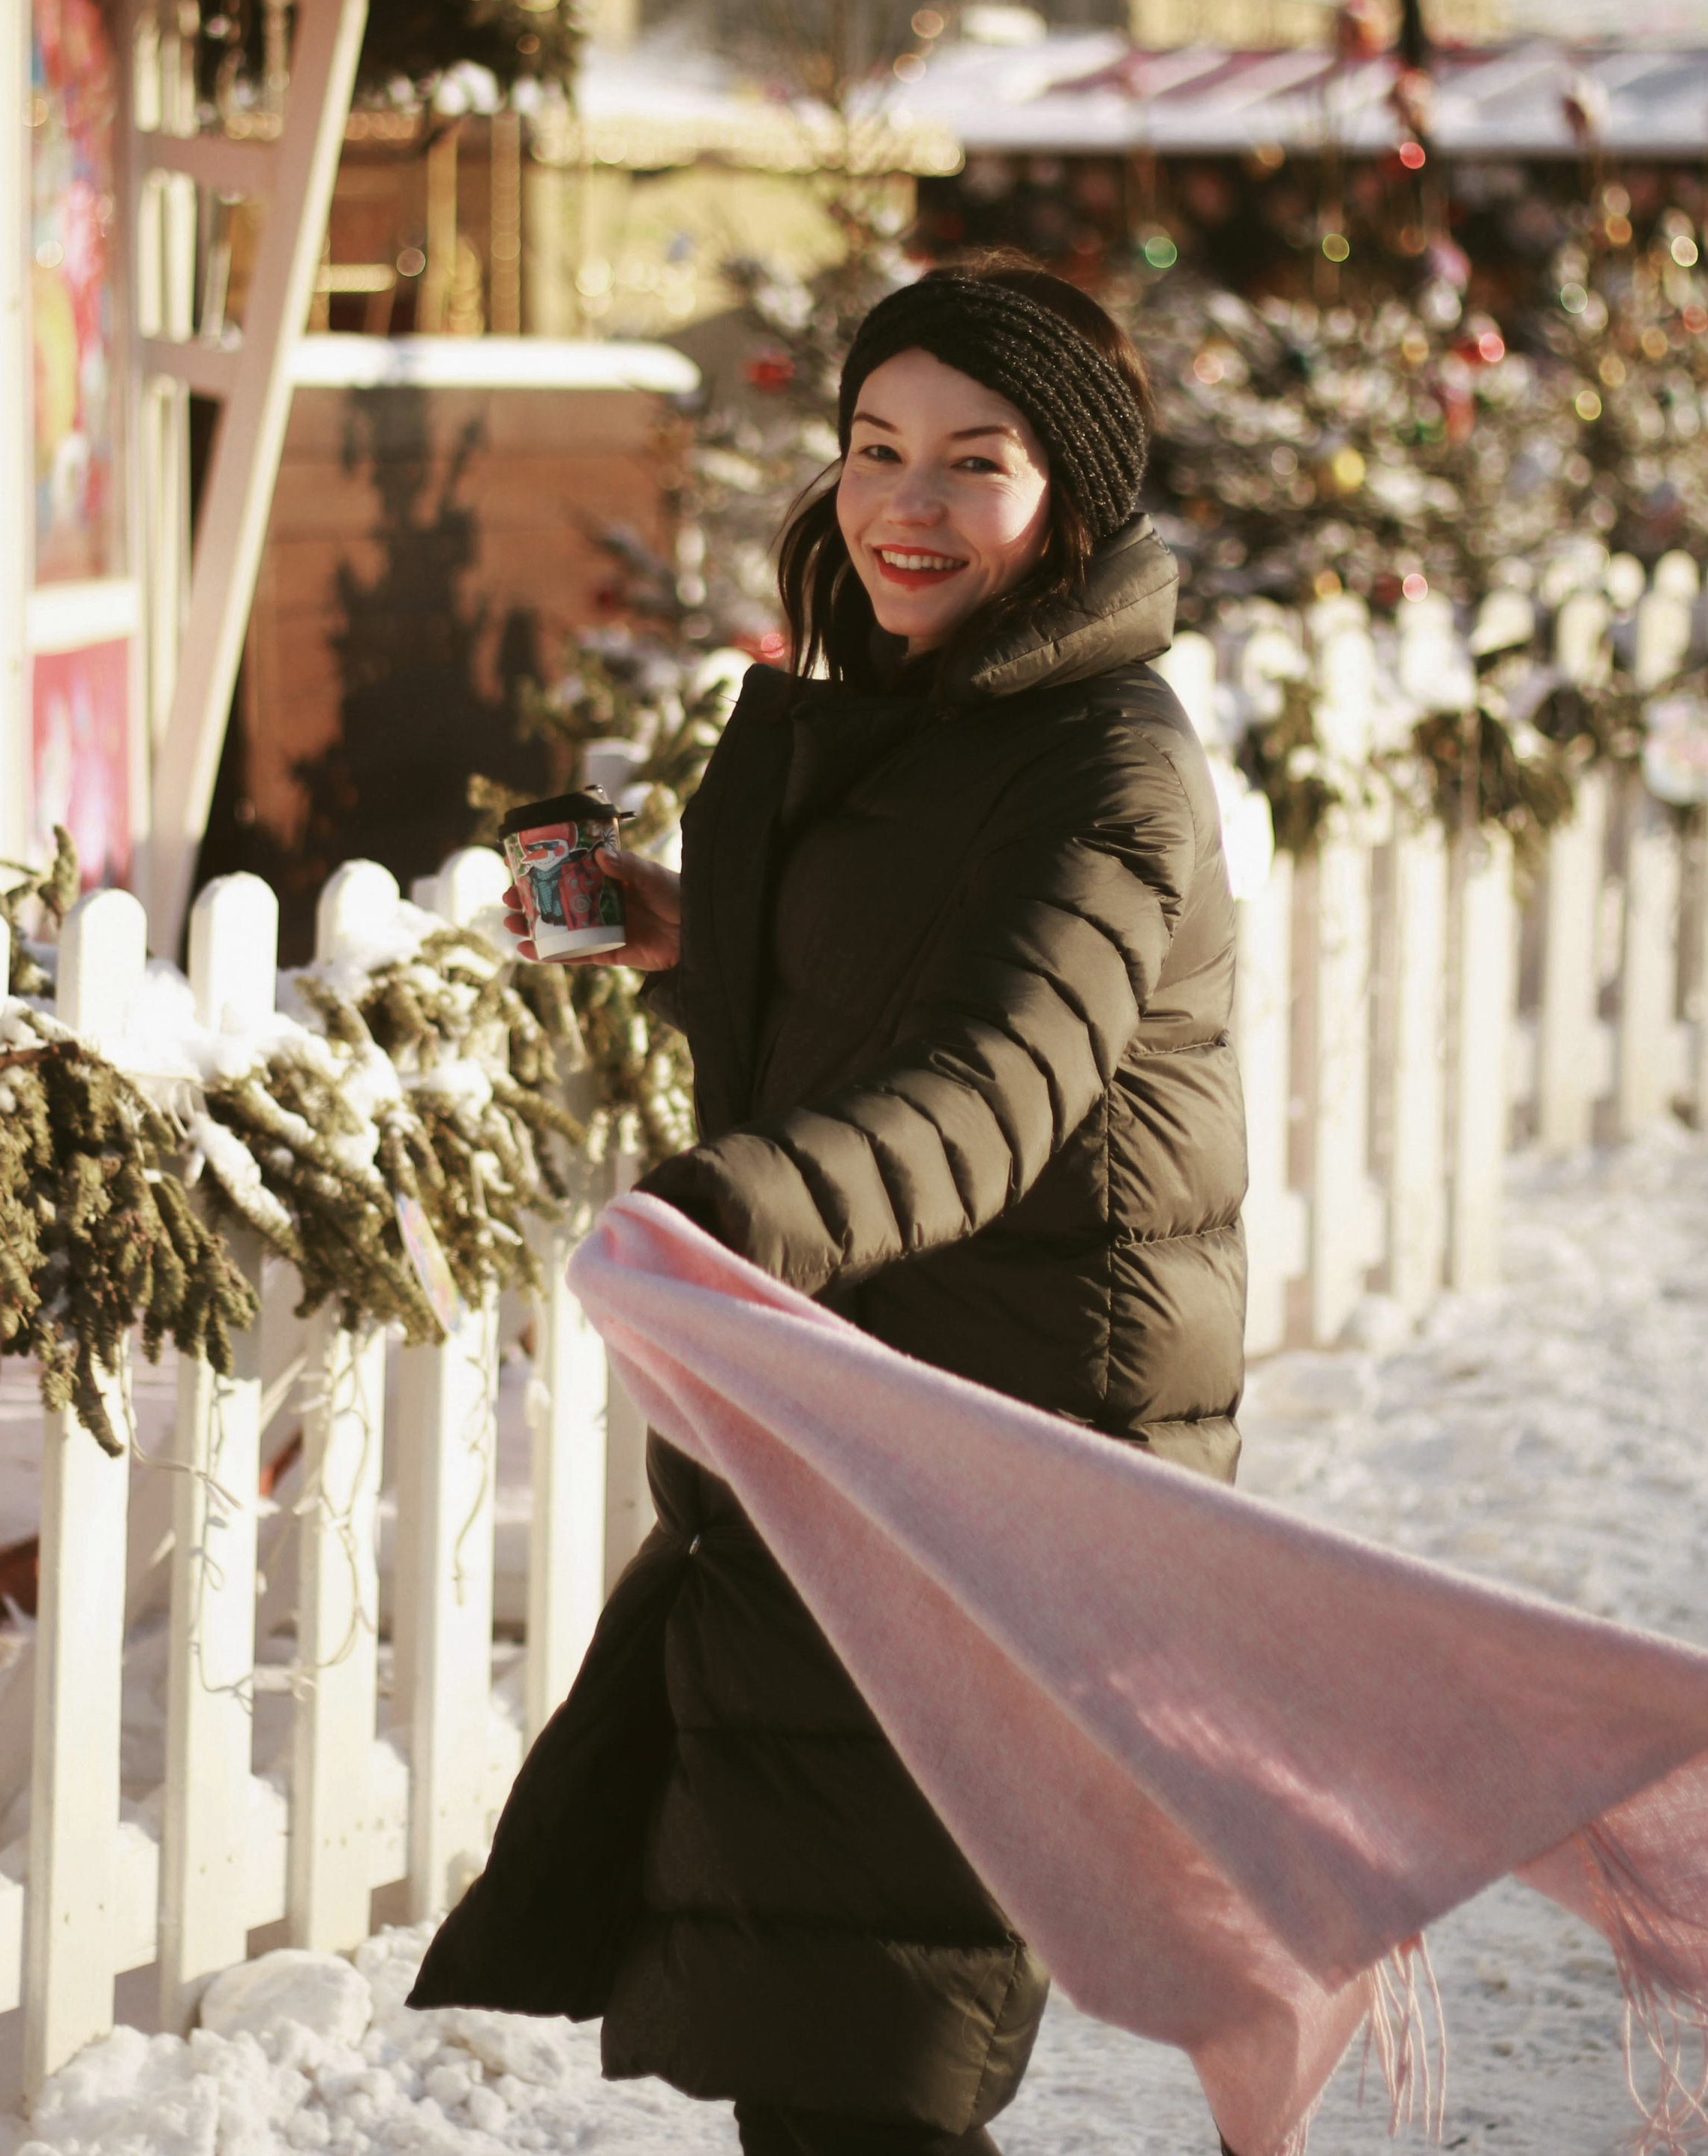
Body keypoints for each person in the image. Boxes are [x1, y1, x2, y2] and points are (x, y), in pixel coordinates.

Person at [411, 258, 1248, 2156]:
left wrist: (728, 1199)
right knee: (824, 2048)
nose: (903, 503)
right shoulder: (929, 712)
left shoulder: (1107, 760)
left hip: (1010, 1452)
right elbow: (908, 975)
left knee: (861, 2063)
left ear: (1076, 500)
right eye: (874, 445)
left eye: (975, 459)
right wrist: (696, 934)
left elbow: (996, 1083)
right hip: (857, 1424)